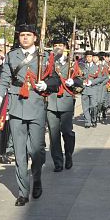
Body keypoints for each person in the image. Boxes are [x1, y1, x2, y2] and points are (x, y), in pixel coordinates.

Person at [0, 24, 59, 206]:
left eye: (29, 35)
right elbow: (4, 81)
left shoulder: (45, 56)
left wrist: (47, 85)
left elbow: (55, 79)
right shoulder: (12, 56)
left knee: (36, 150)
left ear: (35, 37)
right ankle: (23, 191)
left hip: (36, 105)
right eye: (22, 35)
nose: (25, 38)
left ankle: (36, 179)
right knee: (20, 152)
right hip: (16, 105)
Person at [45, 37, 82, 172]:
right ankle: (58, 162)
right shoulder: (47, 61)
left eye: (61, 45)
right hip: (51, 100)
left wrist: (74, 81)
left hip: (66, 100)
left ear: (66, 46)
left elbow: (80, 79)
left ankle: (69, 154)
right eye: (56, 45)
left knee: (67, 131)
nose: (58, 47)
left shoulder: (72, 62)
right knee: (54, 134)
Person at [78, 51, 99, 128]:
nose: (89, 58)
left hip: (93, 89)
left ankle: (94, 119)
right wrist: (81, 82)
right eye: (87, 57)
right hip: (84, 89)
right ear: (85, 58)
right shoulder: (82, 66)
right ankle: (87, 121)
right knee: (85, 107)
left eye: (90, 56)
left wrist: (92, 82)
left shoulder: (97, 67)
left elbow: (101, 78)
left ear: (93, 57)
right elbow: (78, 76)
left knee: (93, 106)